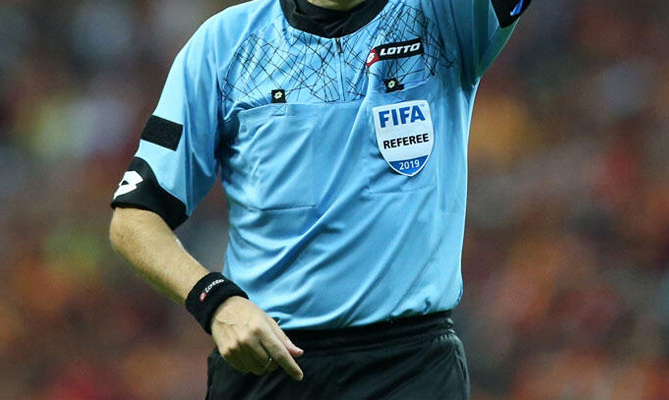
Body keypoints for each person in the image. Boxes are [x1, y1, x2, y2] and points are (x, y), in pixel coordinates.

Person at [109, 0, 531, 398]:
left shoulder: (446, 18)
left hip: (410, 367)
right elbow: (134, 219)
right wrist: (216, 302)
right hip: (269, 362)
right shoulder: (224, 44)